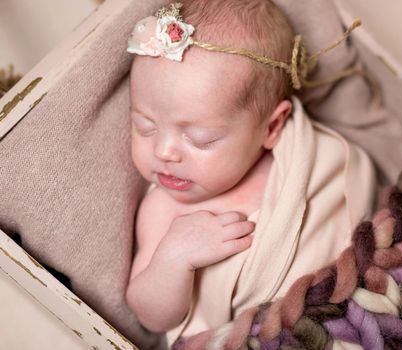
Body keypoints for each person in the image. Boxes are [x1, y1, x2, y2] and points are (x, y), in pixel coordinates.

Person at [125, 0, 376, 345]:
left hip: (357, 298)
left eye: (201, 139)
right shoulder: (163, 210)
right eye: (145, 127)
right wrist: (172, 258)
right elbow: (151, 316)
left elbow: (361, 206)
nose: (164, 151)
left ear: (271, 127)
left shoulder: (302, 155)